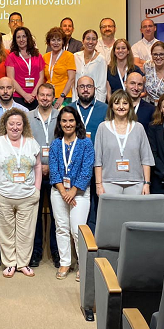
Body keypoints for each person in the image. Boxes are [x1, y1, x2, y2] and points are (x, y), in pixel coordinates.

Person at [0, 108, 42, 278]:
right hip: (2, 196)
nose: (15, 127)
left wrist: (37, 189)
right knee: (5, 232)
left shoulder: (32, 142)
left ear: (23, 126)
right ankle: (9, 263)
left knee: (26, 233)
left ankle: (23, 263)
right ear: (5, 125)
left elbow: (38, 166)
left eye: (18, 124)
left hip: (27, 196)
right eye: (11, 124)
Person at [48, 105, 94, 280]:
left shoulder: (85, 143)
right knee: (61, 228)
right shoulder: (55, 144)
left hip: (80, 193)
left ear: (77, 122)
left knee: (77, 230)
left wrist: (73, 190)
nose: (68, 124)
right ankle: (65, 262)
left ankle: (83, 264)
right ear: (59, 123)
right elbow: (54, 169)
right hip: (59, 192)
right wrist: (63, 191)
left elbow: (87, 169)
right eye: (64, 121)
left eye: (71, 121)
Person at [94, 90, 154, 196]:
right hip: (109, 182)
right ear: (111, 106)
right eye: (117, 103)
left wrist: (147, 183)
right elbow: (98, 160)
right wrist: (98, 184)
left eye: (125, 103)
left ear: (130, 106)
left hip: (135, 183)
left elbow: (146, 158)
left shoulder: (138, 127)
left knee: (133, 213)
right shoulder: (102, 127)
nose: (121, 107)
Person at [28, 83, 59, 268]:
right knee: (35, 214)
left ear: (53, 97)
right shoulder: (28, 117)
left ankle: (56, 252)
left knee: (57, 214)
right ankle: (36, 251)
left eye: (49, 95)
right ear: (37, 96)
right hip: (34, 172)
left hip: (57, 172)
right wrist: (40, 166)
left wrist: (51, 166)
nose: (45, 98)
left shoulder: (61, 116)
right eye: (42, 95)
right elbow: (24, 144)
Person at [73, 76, 108, 232]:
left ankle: (95, 237)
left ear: (95, 89)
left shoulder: (105, 109)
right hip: (74, 165)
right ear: (76, 89)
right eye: (82, 86)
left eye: (89, 86)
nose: (85, 89)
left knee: (97, 203)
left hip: (99, 164)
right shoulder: (69, 109)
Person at [6, 26, 46, 110]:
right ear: (15, 40)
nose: (21, 40)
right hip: (18, 97)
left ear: (28, 38)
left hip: (36, 97)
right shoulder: (11, 57)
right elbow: (11, 78)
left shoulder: (38, 56)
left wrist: (33, 94)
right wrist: (25, 95)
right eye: (18, 37)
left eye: (24, 36)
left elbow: (41, 77)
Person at [44, 27, 76, 108]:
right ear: (49, 42)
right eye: (53, 40)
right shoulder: (45, 57)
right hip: (48, 96)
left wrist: (62, 96)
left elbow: (71, 78)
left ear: (63, 42)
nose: (56, 43)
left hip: (64, 96)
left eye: (59, 40)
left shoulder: (69, 56)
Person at [74, 29, 107, 103]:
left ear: (96, 42)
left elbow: (102, 87)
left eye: (94, 39)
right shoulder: (75, 57)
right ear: (82, 41)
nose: (90, 42)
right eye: (88, 39)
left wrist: (98, 105)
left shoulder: (101, 60)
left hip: (93, 102)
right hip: (76, 100)